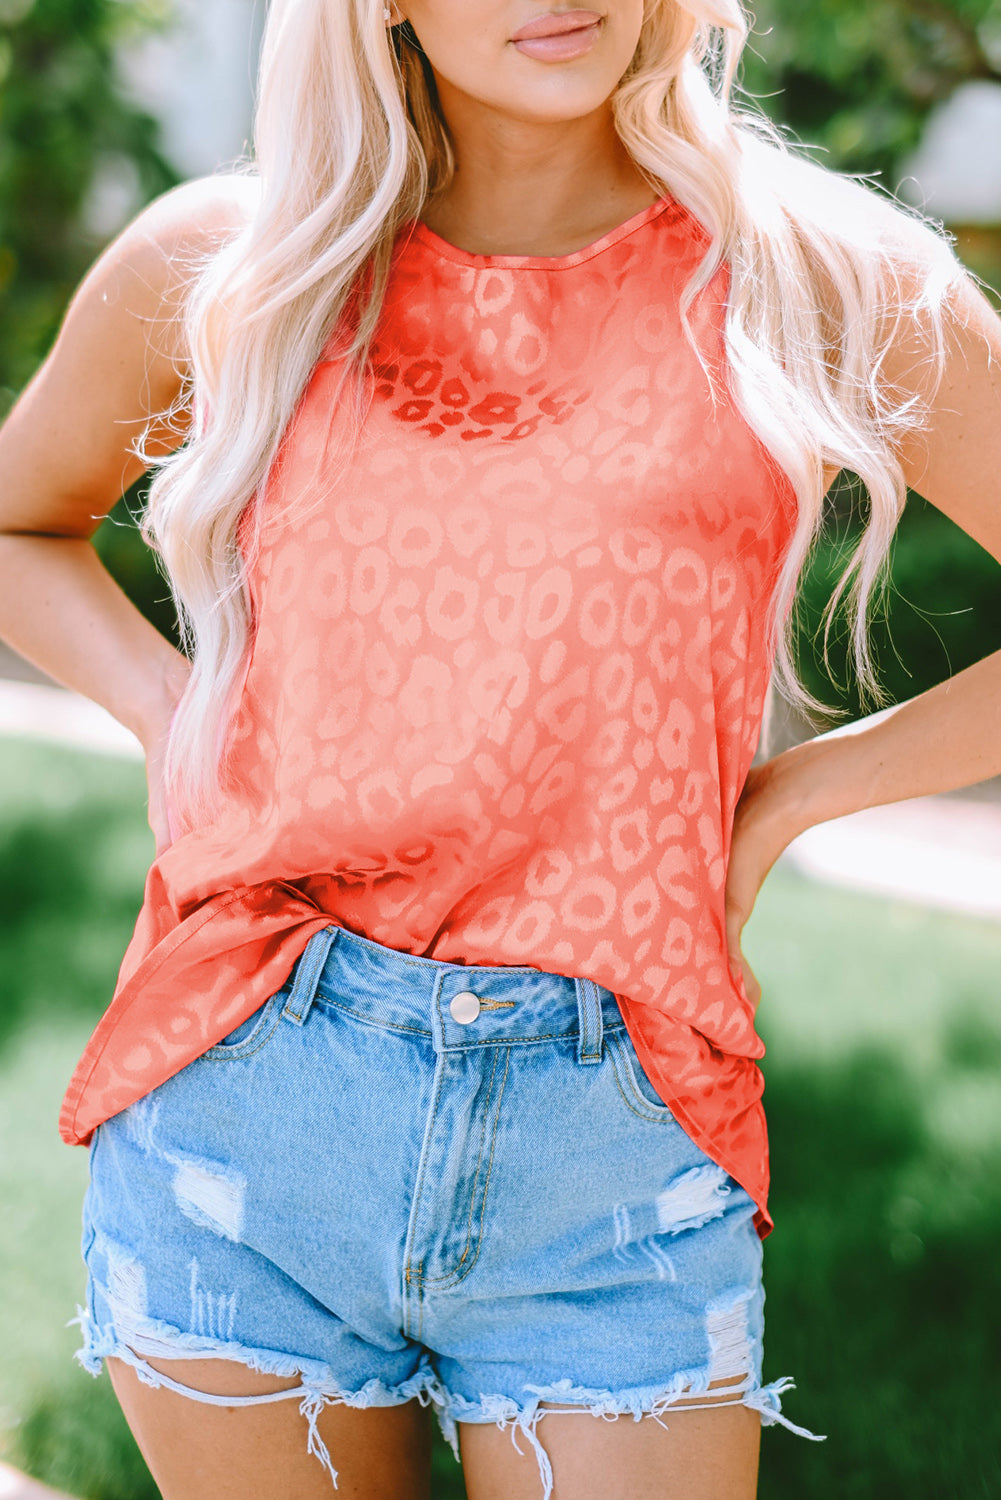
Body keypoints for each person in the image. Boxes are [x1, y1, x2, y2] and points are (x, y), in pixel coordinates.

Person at [1, 1, 999, 1496]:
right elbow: (23, 525)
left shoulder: (817, 277)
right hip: (248, 1107)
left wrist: (797, 795)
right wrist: (167, 711)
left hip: (613, 1149)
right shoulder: (238, 262)